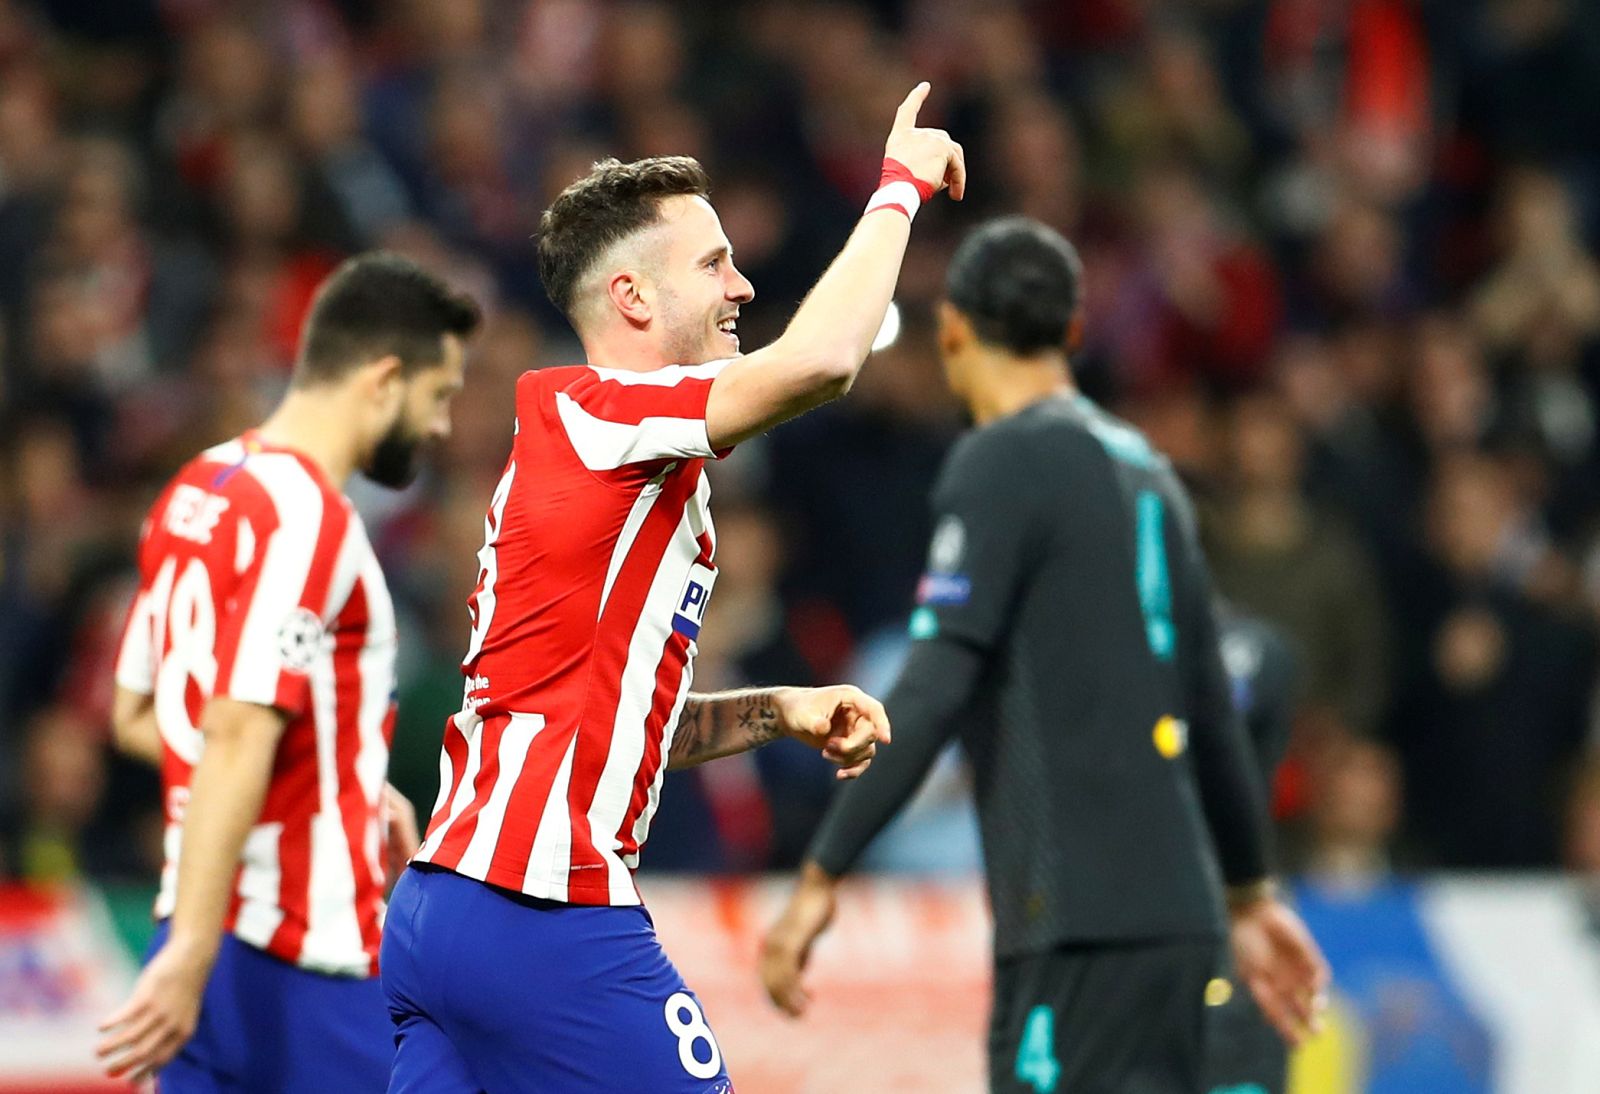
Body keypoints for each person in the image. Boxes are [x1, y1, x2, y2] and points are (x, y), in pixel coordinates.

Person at [380, 83, 964, 1093]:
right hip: (544, 910)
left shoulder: (608, 468)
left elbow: (621, 725)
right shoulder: (593, 414)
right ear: (633, 299)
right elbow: (821, 360)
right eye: (714, 263)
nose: (740, 286)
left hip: (444, 912)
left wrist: (778, 707)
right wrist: (898, 190)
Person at [760, 217, 1329, 1093]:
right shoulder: (1149, 473)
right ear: (1070, 331)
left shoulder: (999, 463)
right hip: (1180, 925)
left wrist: (822, 871)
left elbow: (935, 681)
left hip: (1072, 919)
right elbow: (1209, 708)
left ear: (952, 329)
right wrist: (1249, 895)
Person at [95, 253, 483, 1089]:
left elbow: (139, 717)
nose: (444, 425)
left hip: (195, 929)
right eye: (440, 394)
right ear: (384, 379)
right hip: (302, 954)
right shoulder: (308, 518)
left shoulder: (197, 488)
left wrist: (336, 773)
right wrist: (195, 950)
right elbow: (237, 730)